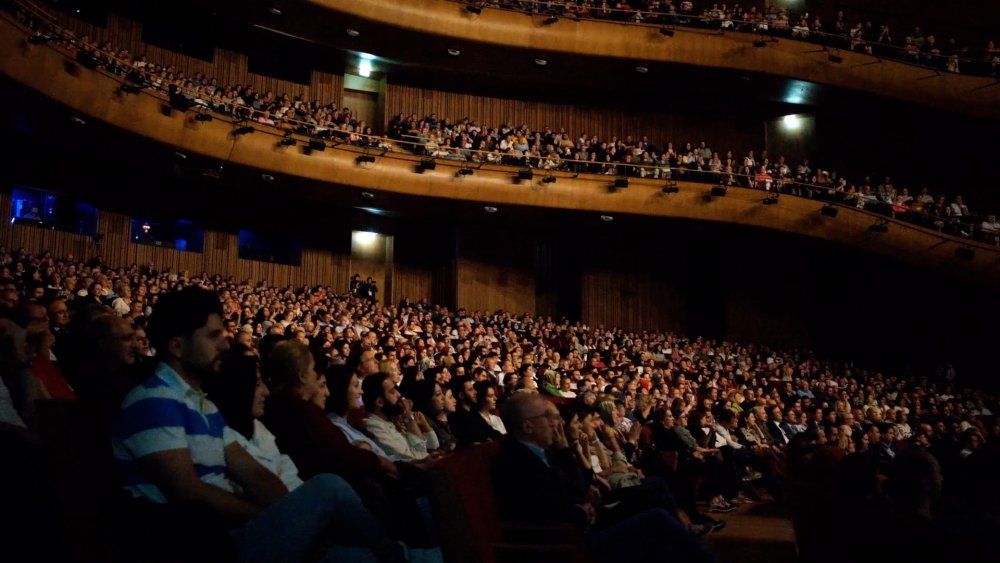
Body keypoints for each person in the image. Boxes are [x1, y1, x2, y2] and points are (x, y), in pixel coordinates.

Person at [111, 287, 406, 562]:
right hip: (208, 544)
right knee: (329, 487)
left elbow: (252, 472)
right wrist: (270, 516)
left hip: (241, 528)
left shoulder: (202, 404)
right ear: (177, 346)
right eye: (213, 336)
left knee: (357, 557)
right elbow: (188, 492)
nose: (225, 343)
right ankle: (394, 554)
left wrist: (292, 516)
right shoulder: (151, 401)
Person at [492, 393, 715, 563]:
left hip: (585, 521)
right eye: (548, 417)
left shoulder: (544, 451)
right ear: (527, 426)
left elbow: (581, 487)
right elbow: (541, 513)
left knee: (659, 525)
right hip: (571, 540)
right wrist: (582, 510)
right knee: (657, 518)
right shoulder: (515, 460)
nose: (557, 423)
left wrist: (564, 450)